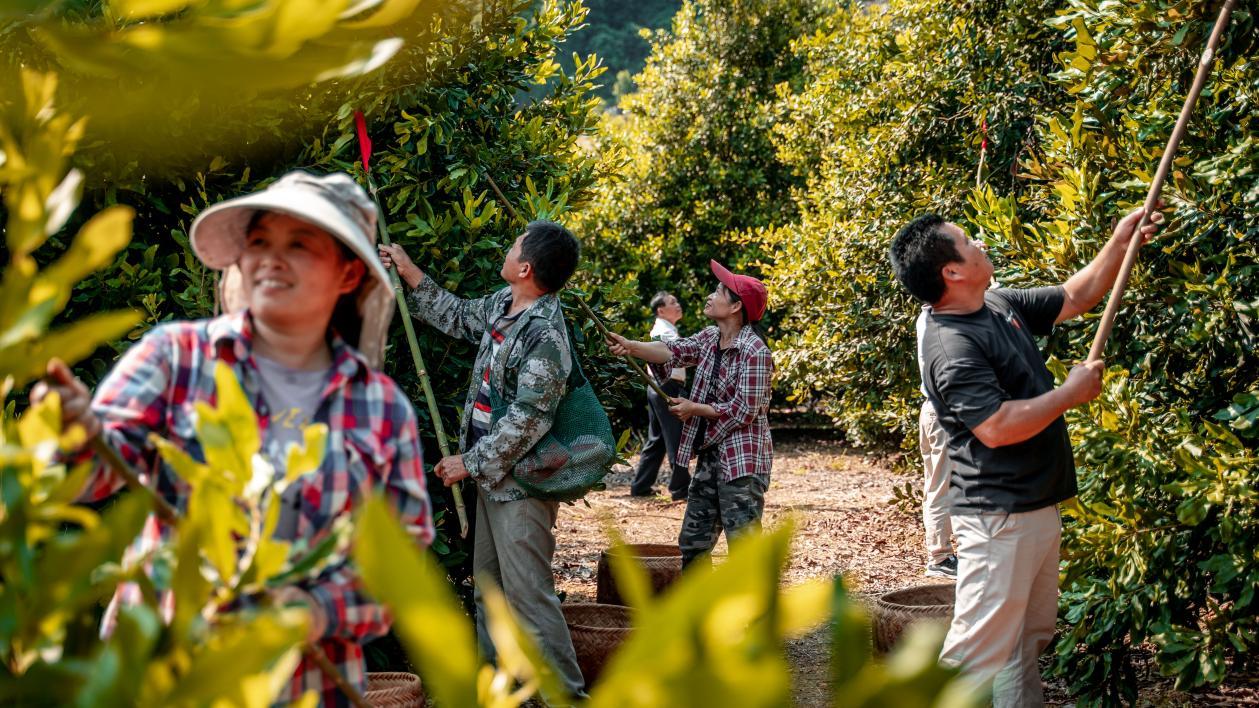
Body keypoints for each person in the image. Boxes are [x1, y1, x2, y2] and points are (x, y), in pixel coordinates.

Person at [32, 171, 435, 705]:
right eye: (260, 241)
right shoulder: (177, 357)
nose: (272, 257)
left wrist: (317, 611)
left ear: (347, 273)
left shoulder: (382, 410)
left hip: (305, 685)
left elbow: (399, 564)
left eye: (299, 244)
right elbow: (101, 468)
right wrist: (73, 434)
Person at [888, 206, 1163, 706]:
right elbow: (994, 427)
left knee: (1023, 645)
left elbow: (1076, 296)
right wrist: (1067, 395)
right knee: (974, 656)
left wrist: (1121, 241)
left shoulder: (993, 304)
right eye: (969, 243)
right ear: (951, 272)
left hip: (1034, 506)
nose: (981, 247)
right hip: (999, 520)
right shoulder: (951, 345)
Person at [378, 220, 586, 696]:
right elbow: (455, 314)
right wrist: (409, 270)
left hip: (520, 487)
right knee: (489, 595)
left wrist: (467, 463)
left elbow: (529, 419)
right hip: (494, 482)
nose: (508, 249)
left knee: (529, 600)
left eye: (515, 246)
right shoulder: (503, 305)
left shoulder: (545, 335)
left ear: (525, 267)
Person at [607, 260, 773, 569]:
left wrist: (694, 409)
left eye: (718, 291)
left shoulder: (755, 351)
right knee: (693, 543)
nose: (710, 295)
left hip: (742, 461)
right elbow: (673, 351)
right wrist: (630, 346)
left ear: (736, 306)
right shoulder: (711, 338)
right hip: (711, 456)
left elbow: (744, 411)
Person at [629, 291, 691, 500]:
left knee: (657, 440)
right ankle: (681, 488)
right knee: (676, 437)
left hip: (658, 386)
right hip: (666, 386)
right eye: (673, 302)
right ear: (661, 310)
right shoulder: (663, 332)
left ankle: (641, 485)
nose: (678, 304)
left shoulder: (665, 329)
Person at [916, 307, 957, 578]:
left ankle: (940, 553)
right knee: (942, 485)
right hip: (943, 411)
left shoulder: (926, 317)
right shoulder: (938, 318)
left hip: (932, 409)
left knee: (936, 484)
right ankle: (940, 557)